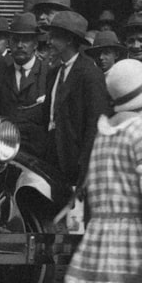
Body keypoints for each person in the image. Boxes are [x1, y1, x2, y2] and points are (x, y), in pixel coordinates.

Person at [41, 58, 142, 283]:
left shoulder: (105, 130)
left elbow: (96, 181)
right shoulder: (139, 132)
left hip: (101, 229)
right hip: (133, 230)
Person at [41, 10, 110, 190]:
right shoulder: (54, 73)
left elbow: (95, 125)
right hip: (50, 158)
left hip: (75, 164)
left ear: (69, 40)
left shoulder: (90, 74)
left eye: (54, 37)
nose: (48, 42)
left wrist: (84, 169)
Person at [0, 12, 51, 159]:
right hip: (5, 152)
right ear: (9, 43)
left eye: (26, 40)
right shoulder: (0, 74)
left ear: (36, 43)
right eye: (15, 40)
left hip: (39, 156)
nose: (20, 45)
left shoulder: (48, 74)